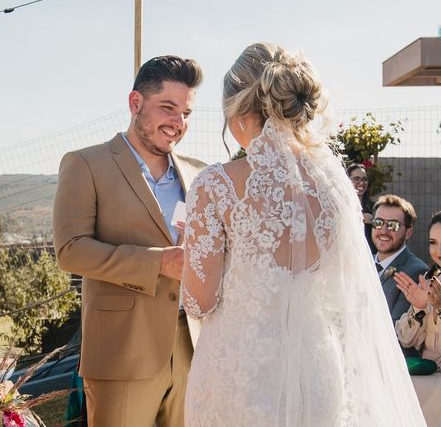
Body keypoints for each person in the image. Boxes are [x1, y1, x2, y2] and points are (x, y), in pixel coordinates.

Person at [182, 42, 425, 426]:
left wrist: (191, 253)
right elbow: (347, 293)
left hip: (239, 374)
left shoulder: (217, 185)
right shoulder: (335, 188)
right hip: (317, 374)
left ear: (241, 109)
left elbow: (199, 301)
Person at [53, 55, 205, 426]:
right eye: (167, 108)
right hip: (121, 352)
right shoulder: (85, 165)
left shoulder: (200, 174)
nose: (178, 123)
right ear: (135, 103)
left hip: (193, 350)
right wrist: (157, 263)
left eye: (185, 113)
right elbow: (71, 250)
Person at [395, 211, 441, 425]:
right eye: (433, 242)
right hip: (424, 377)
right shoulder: (430, 280)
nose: (438, 251)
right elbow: (405, 339)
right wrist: (419, 308)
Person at [371, 195, 428, 327]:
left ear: (408, 232)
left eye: (393, 225)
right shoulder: (361, 263)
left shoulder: (416, 271)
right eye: (378, 222)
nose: (384, 230)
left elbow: (395, 330)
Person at [346, 163, 376, 253]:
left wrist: (373, 221)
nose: (362, 183)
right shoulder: (341, 207)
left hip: (371, 253)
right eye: (356, 179)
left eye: (364, 179)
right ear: (347, 180)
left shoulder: (374, 207)